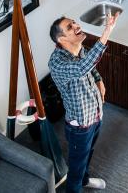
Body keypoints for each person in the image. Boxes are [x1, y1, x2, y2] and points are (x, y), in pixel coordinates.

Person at [48, 13, 118, 191]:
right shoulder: (57, 63)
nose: (76, 26)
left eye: (74, 23)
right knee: (76, 168)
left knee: (88, 154)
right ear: (61, 39)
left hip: (95, 114)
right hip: (80, 126)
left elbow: (90, 67)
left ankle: (85, 180)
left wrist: (99, 79)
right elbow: (82, 68)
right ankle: (77, 185)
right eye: (70, 27)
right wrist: (107, 31)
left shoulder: (78, 49)